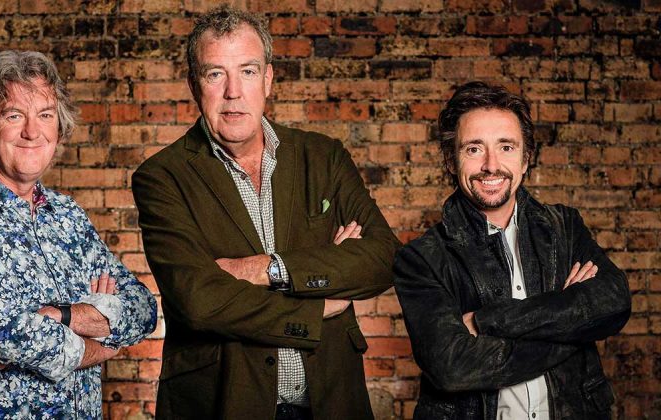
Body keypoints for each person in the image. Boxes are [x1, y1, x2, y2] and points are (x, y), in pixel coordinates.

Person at [131, 5, 400, 420]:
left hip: (332, 402)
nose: (233, 91)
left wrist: (268, 269)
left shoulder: (323, 157)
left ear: (268, 79)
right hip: (224, 405)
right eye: (215, 74)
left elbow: (383, 257)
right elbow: (198, 301)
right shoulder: (161, 177)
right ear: (193, 84)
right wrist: (318, 305)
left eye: (248, 71)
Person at [0, 50, 157, 419]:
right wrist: (106, 345)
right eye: (14, 115)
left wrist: (61, 315)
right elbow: (17, 336)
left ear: (59, 128)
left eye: (45, 115)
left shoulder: (67, 215)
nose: (32, 132)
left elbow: (143, 310)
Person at [392, 81, 631, 419]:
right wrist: (572, 322)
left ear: (525, 159)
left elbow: (614, 301)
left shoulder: (565, 227)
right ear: (451, 160)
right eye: (474, 149)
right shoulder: (421, 259)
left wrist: (486, 320)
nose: (491, 165)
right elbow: (452, 367)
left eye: (506, 147)